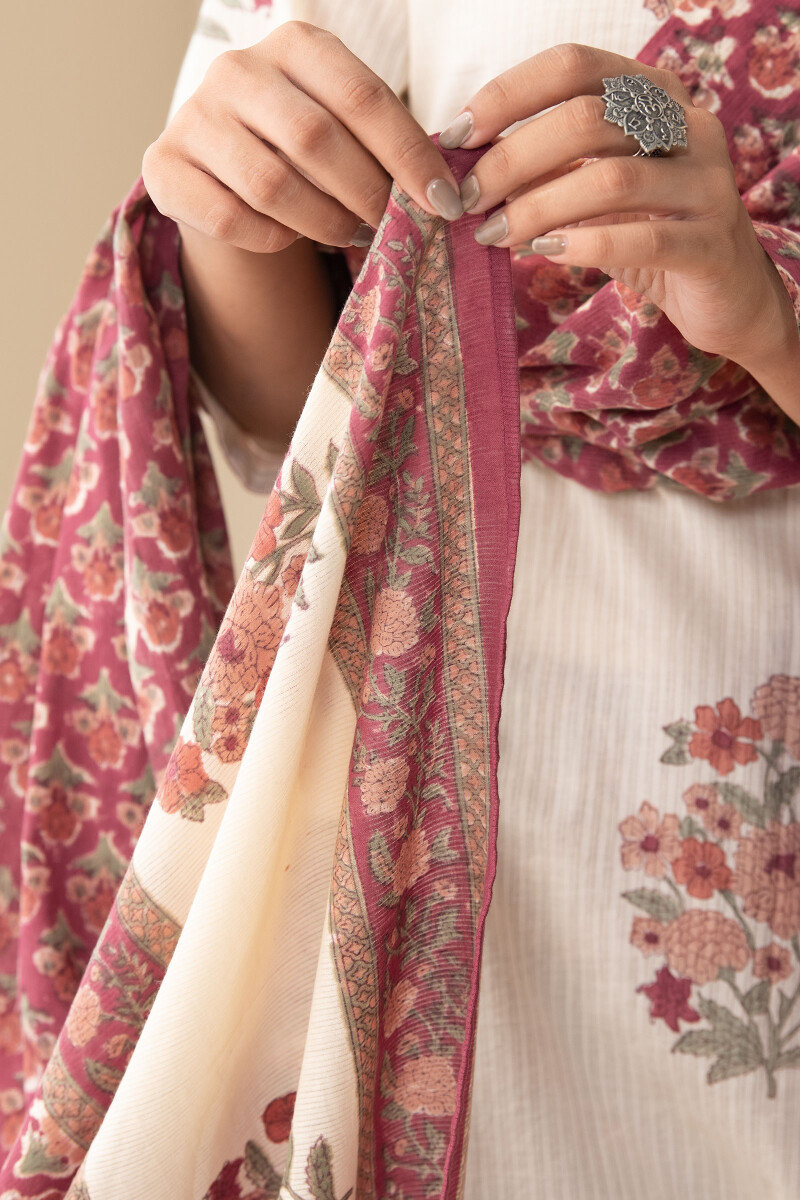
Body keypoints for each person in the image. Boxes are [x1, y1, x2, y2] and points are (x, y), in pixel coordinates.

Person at [1, 2, 799, 1197]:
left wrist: (760, 309)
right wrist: (225, 208)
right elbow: (289, 419)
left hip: (749, 704)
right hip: (429, 757)